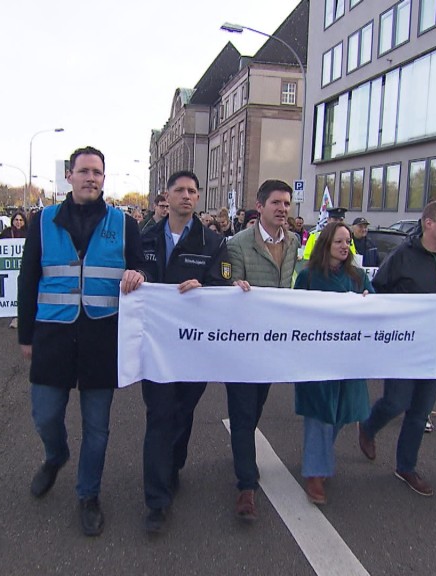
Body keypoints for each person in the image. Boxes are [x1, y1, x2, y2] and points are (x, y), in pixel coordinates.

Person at [17, 146, 145, 537]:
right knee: (45, 415)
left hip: (102, 338)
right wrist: (25, 336)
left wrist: (139, 274)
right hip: (52, 335)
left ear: (104, 178)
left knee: (97, 428)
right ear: (69, 176)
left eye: (97, 172)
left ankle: (88, 495)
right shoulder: (43, 221)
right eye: (84, 171)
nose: (91, 178)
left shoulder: (124, 224)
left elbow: (141, 268)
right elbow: (28, 279)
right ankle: (56, 455)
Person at [136, 170, 232, 534]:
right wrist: (136, 277)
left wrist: (204, 287)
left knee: (182, 412)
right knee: (160, 416)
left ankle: (173, 465)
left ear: (198, 197)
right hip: (156, 347)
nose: (187, 195)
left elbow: (222, 286)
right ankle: (157, 501)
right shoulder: (143, 238)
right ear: (167, 195)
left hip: (194, 349)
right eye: (180, 190)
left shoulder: (214, 242)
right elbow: (134, 272)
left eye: (193, 190)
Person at [358, 200, 436, 497]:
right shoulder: (402, 256)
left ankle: (406, 466)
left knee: (420, 411)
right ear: (428, 223)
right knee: (396, 402)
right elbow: (378, 292)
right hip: (403, 347)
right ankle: (368, 426)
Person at [224, 179, 300, 520]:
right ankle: (246, 485)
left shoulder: (294, 242)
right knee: (242, 413)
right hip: (243, 346)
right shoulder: (238, 244)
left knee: (255, 407)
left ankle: (242, 454)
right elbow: (227, 283)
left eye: (286, 203)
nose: (283, 209)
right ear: (260, 206)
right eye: (276, 203)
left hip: (273, 345)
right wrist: (234, 284)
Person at [294, 223, 373, 504]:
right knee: (319, 413)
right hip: (317, 358)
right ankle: (315, 472)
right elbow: (293, 312)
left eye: (347, 241)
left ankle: (319, 456)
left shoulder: (358, 277)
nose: (344, 246)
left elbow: (377, 308)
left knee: (341, 412)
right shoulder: (308, 277)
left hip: (349, 357)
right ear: (326, 244)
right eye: (339, 241)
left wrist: (368, 301)